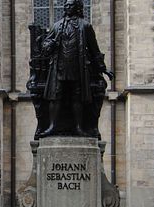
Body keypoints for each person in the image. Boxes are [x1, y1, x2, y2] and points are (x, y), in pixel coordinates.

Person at [39, 0, 112, 137]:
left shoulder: (85, 26)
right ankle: (52, 126)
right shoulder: (57, 26)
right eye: (66, 5)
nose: (67, 7)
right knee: (56, 96)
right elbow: (45, 45)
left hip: (78, 68)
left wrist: (103, 68)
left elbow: (94, 49)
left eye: (70, 5)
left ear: (77, 7)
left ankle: (79, 127)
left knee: (77, 97)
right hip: (59, 68)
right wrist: (50, 44)